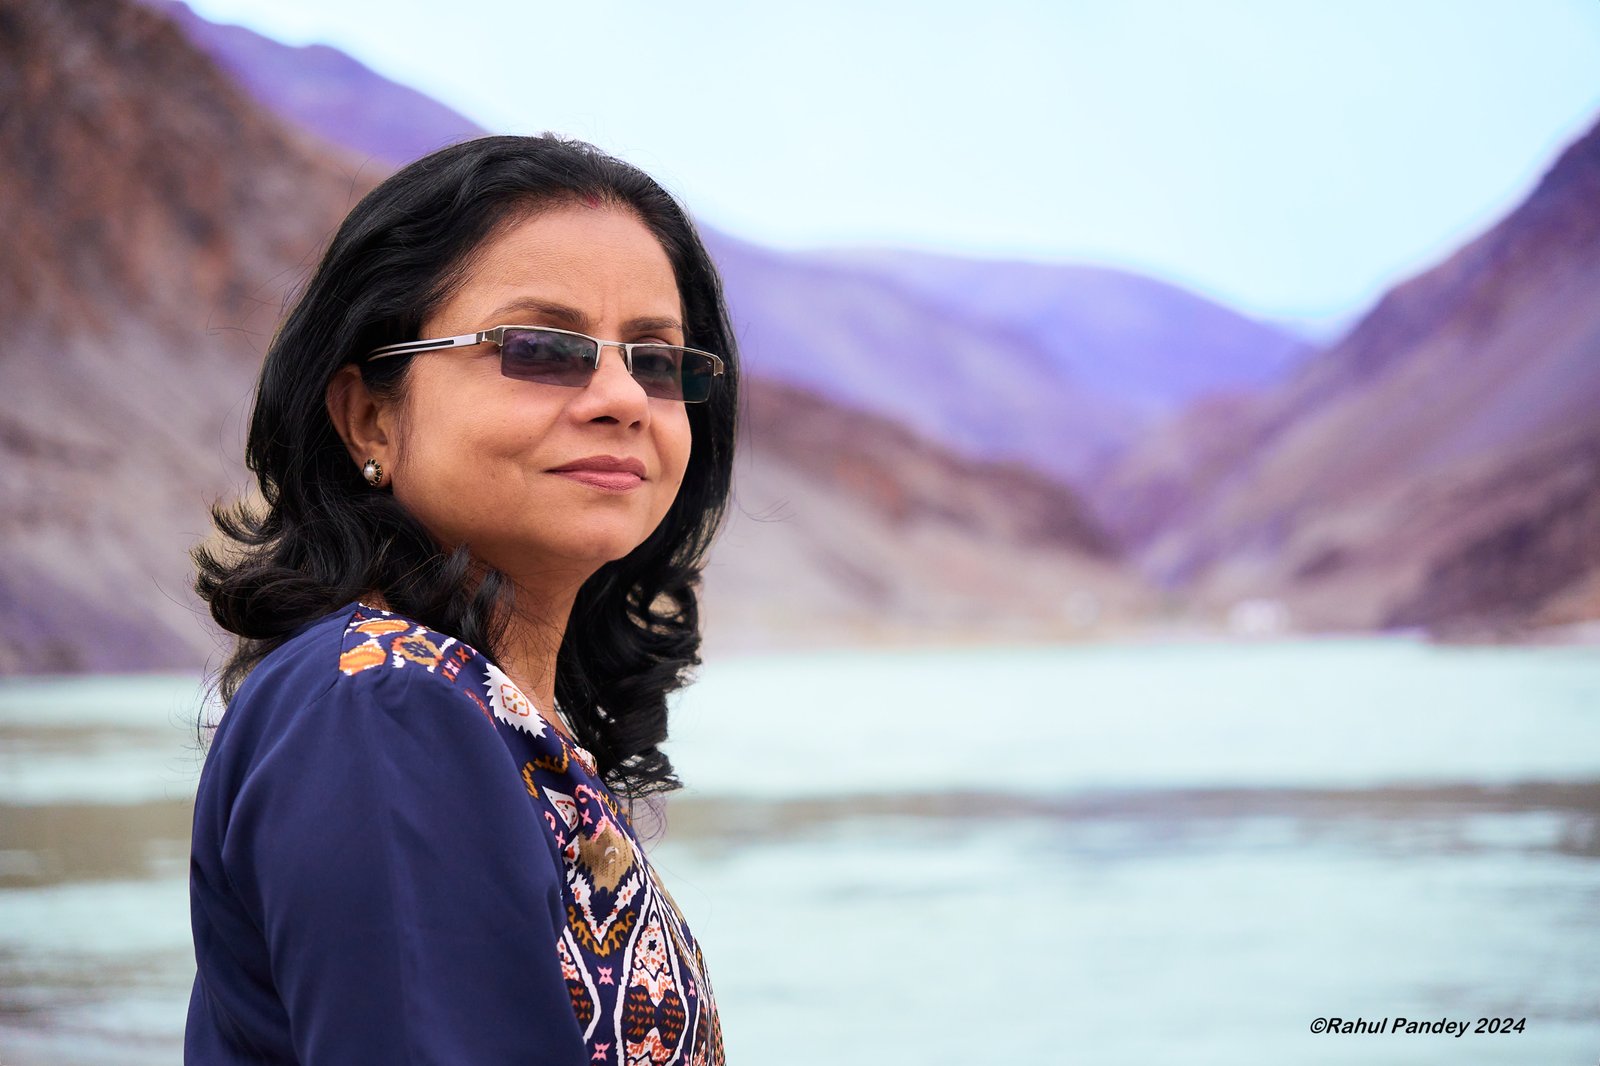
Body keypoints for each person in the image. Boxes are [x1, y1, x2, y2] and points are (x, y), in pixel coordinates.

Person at [185, 133, 737, 1064]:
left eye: (656, 359)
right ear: (371, 416)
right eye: (537, 347)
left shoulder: (465, 708)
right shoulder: (383, 703)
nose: (621, 397)